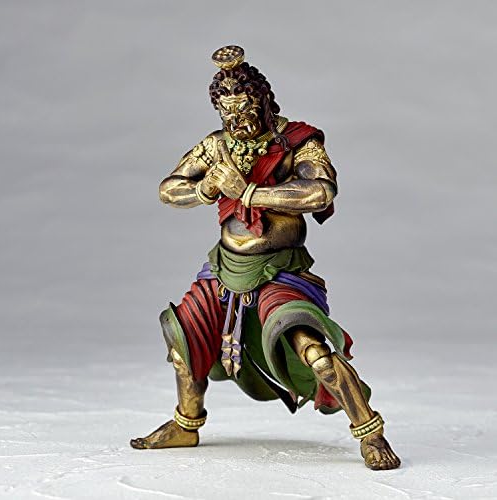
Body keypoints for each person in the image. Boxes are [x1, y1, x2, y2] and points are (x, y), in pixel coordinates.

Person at [130, 45, 400, 471]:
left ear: (262, 99)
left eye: (243, 108)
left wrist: (248, 193)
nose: (236, 120)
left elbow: (320, 192)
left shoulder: (299, 143)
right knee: (183, 341)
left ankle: (371, 433)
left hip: (279, 272)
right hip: (225, 269)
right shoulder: (217, 146)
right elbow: (168, 188)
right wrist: (205, 189)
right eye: (227, 112)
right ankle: (186, 424)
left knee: (316, 354)